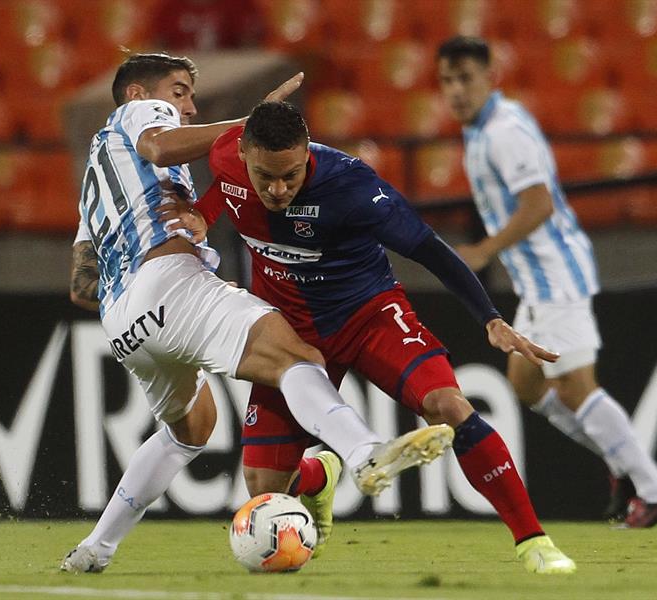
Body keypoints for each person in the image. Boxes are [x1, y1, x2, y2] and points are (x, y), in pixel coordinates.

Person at [60, 53, 454, 574]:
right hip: (167, 283)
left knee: (190, 430)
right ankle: (364, 453)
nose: (188, 105)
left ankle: (95, 549)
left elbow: (81, 286)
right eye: (179, 91)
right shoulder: (139, 115)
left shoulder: (98, 176)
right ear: (138, 94)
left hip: (123, 323)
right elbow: (157, 145)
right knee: (297, 356)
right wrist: (249, 125)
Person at [161, 100, 577, 574]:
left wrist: (490, 317)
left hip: (368, 317)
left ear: (307, 155)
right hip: (288, 337)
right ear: (241, 152)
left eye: (291, 176)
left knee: (448, 406)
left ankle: (533, 541)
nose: (277, 190)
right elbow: (226, 187)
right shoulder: (224, 157)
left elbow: (429, 249)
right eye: (265, 177)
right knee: (263, 487)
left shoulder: (352, 186)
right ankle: (319, 476)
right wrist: (204, 212)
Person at [435, 36, 657, 527]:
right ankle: (623, 466)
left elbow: (539, 204)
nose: (456, 91)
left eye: (466, 78)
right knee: (526, 382)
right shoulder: (482, 129)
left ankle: (655, 489)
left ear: (491, 78)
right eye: (447, 81)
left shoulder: (504, 131)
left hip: (554, 275)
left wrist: (486, 249)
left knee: (573, 386)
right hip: (537, 281)